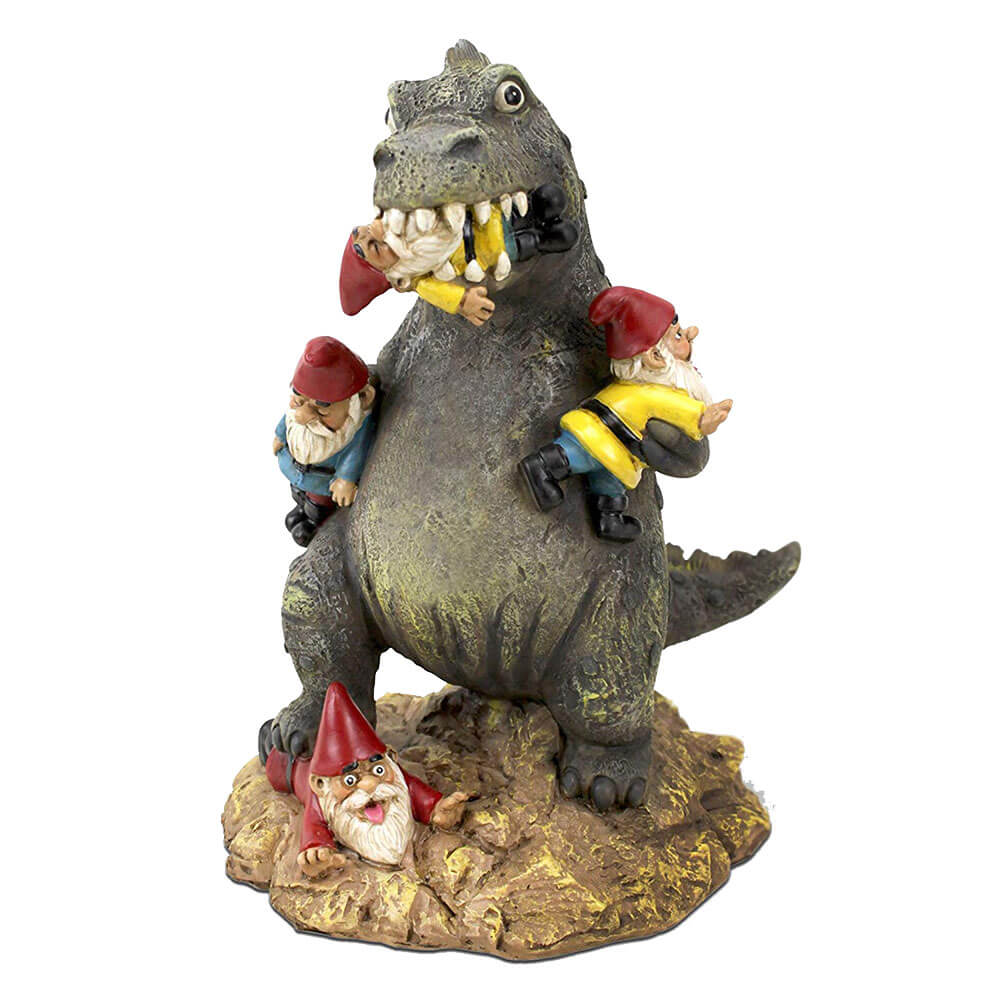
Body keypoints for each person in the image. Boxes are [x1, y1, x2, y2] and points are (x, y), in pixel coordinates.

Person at [520, 286, 733, 542]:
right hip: (598, 436)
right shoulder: (652, 393)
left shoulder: (652, 383)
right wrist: (703, 419)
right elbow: (677, 409)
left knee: (610, 482)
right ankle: (540, 466)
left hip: (621, 450)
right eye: (678, 336)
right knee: (578, 456)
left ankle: (609, 519)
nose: (689, 337)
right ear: (655, 356)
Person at [339, 184, 577, 323]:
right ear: (399, 281)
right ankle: (543, 238)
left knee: (551, 197)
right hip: (502, 250)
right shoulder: (419, 277)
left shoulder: (413, 219)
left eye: (366, 229)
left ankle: (537, 208)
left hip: (498, 216)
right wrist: (464, 302)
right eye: (376, 247)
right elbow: (442, 294)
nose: (377, 232)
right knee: (562, 236)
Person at [273, 337, 377, 547]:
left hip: (323, 481)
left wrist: (345, 479)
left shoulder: (356, 428)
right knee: (299, 494)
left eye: (321, 410)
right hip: (296, 471)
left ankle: (314, 523)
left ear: (363, 398)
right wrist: (280, 436)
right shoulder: (297, 417)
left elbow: (356, 454)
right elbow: (288, 419)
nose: (303, 416)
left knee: (317, 505)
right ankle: (301, 509)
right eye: (299, 401)